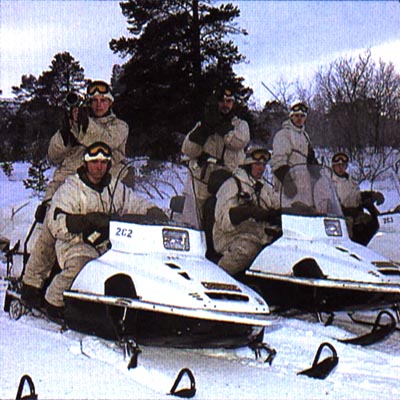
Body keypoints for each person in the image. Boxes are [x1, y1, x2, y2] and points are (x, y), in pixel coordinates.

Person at [21, 80, 129, 307]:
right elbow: (53, 156)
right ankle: (32, 284)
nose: (98, 105)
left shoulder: (119, 126)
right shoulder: (77, 123)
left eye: (103, 100)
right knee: (51, 228)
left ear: (110, 102)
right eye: (94, 101)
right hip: (69, 186)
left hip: (103, 188)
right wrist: (66, 133)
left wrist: (85, 125)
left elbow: (105, 142)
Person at [43, 142, 166, 318]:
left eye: (103, 162)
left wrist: (152, 211)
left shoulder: (114, 187)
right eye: (94, 162)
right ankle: (53, 301)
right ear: (86, 163)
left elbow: (133, 202)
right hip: (75, 243)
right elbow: (56, 221)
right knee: (82, 265)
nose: (99, 167)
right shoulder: (72, 188)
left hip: (108, 243)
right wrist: (83, 221)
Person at [181, 87, 250, 222]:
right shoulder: (203, 124)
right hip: (201, 184)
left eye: (229, 101)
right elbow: (187, 149)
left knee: (224, 222)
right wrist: (204, 129)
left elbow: (238, 142)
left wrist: (221, 127)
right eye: (222, 101)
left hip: (228, 184)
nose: (225, 105)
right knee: (193, 222)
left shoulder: (241, 125)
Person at [212, 147, 281, 276]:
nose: (261, 168)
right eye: (257, 164)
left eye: (264, 165)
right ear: (248, 164)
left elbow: (277, 202)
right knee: (249, 249)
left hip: (255, 234)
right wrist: (247, 212)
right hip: (229, 236)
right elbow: (223, 221)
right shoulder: (232, 185)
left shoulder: (263, 187)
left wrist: (294, 207)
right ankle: (218, 275)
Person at [330, 152, 384, 245]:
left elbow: (357, 196)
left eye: (343, 165)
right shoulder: (330, 182)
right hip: (342, 217)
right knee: (349, 234)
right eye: (338, 165)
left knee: (376, 224)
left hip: (356, 214)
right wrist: (347, 212)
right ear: (333, 167)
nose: (341, 168)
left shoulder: (351, 180)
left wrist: (372, 195)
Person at [270, 101, 318, 197]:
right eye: (296, 116)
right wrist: (288, 183)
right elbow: (277, 162)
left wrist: (319, 175)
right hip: (287, 188)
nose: (299, 119)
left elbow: (310, 161)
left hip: (304, 187)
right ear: (291, 117)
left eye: (302, 116)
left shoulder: (305, 136)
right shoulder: (283, 134)